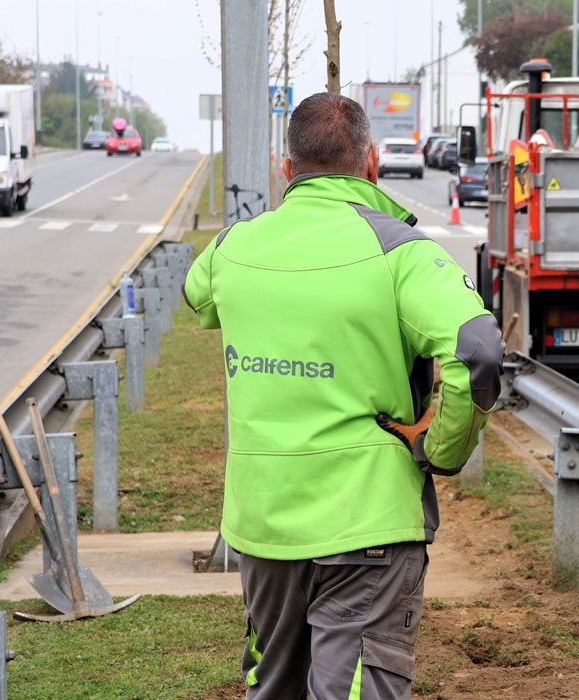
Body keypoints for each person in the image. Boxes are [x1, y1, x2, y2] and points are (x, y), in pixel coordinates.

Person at [182, 92, 504, 700]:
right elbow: (478, 350)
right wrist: (441, 448)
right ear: (372, 163)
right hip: (369, 521)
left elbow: (195, 294)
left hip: (265, 522)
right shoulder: (402, 253)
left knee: (271, 687)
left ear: (287, 169)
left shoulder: (232, 248)